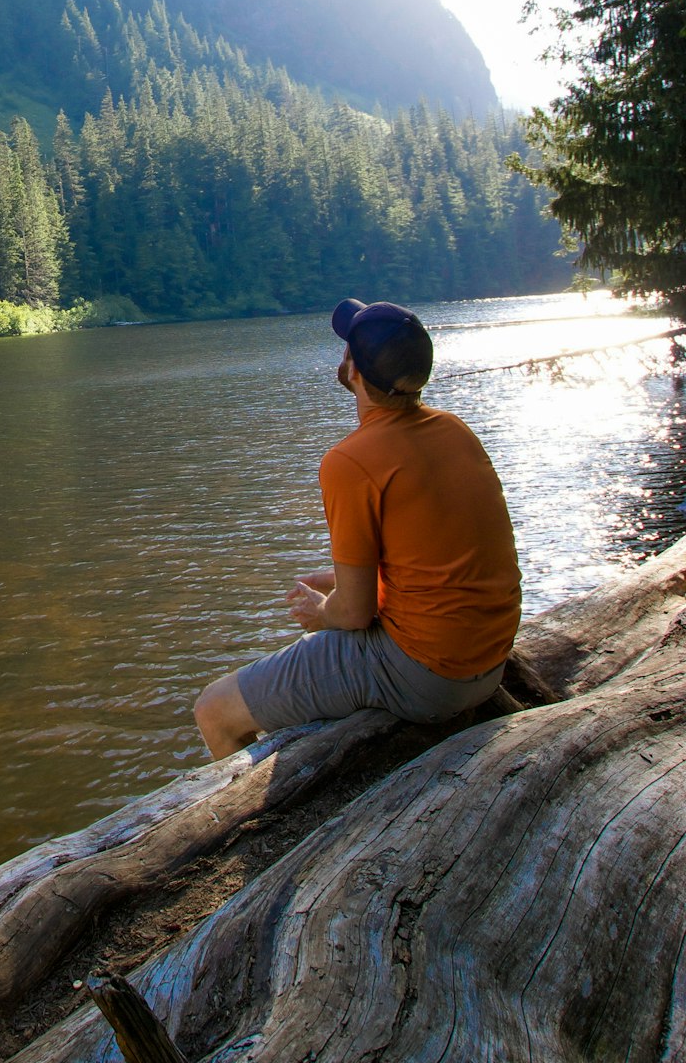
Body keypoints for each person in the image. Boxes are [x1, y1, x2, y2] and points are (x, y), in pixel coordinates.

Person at [193, 297, 520, 759]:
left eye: (347, 348)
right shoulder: (455, 431)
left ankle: (249, 822)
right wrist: (333, 586)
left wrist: (322, 611)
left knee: (213, 710)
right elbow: (434, 563)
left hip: (430, 680)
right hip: (490, 658)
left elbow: (354, 614)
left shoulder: (349, 462)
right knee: (320, 627)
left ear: (354, 370)